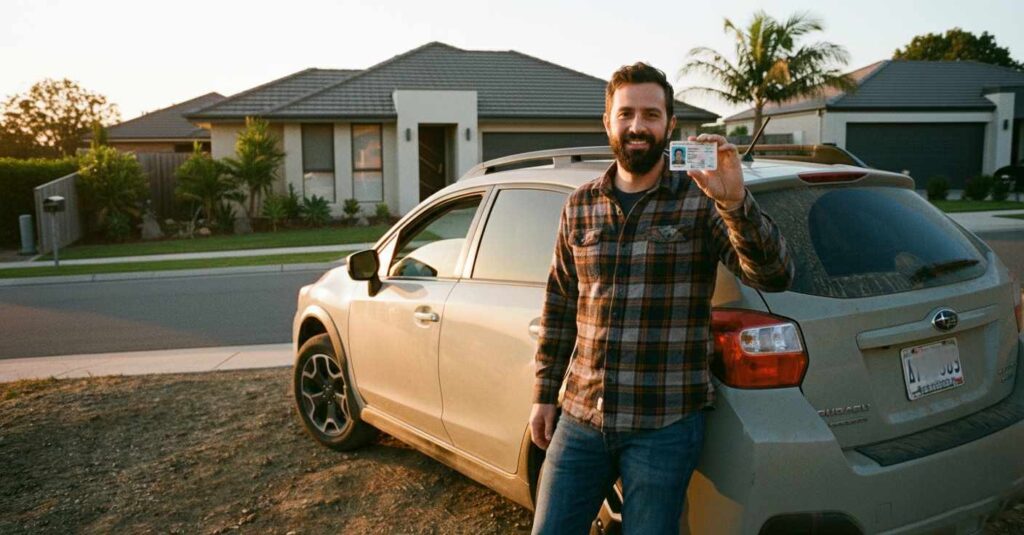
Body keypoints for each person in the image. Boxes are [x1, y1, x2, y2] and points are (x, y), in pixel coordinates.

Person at [529, 62, 795, 534]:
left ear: (670, 125)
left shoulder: (700, 200)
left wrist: (735, 203)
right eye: (626, 113)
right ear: (607, 121)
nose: (637, 126)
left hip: (665, 425)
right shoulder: (580, 205)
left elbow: (773, 275)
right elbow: (560, 305)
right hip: (582, 416)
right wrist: (544, 396)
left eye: (651, 115)